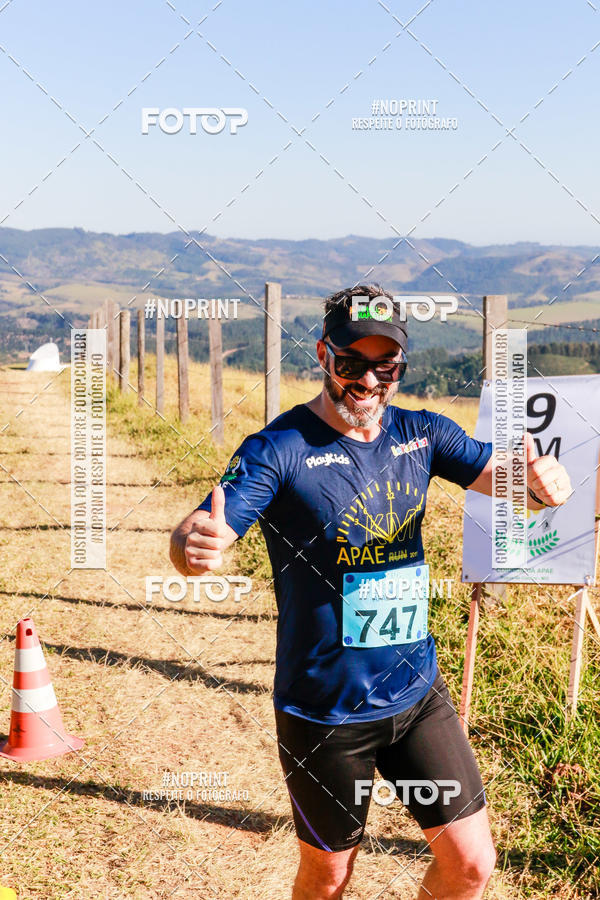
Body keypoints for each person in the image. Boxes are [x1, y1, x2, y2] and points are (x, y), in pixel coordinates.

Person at [170, 285, 571, 899]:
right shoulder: (279, 449)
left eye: (385, 364)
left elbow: (510, 479)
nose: (368, 379)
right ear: (324, 356)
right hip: (325, 711)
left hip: (416, 696)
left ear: (401, 366)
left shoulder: (423, 432)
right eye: (351, 361)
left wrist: (543, 479)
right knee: (329, 877)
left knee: (471, 864)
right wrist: (191, 544)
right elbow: (208, 527)